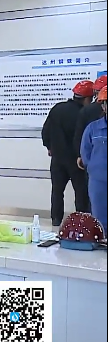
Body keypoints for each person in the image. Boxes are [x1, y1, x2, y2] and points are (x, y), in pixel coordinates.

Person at [42, 80, 93, 226]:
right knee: (81, 193)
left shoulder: (57, 108)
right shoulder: (84, 114)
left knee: (57, 191)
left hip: (57, 159)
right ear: (87, 99)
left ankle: (56, 219)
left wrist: (49, 146)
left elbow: (46, 131)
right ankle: (82, 222)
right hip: (77, 161)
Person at [80, 86, 108, 233]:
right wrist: (93, 168)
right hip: (99, 180)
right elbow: (85, 152)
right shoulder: (93, 128)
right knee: (100, 216)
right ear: (103, 106)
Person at [75, 75, 108, 170]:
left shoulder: (86, 110)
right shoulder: (92, 125)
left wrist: (81, 157)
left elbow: (79, 136)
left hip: (95, 166)